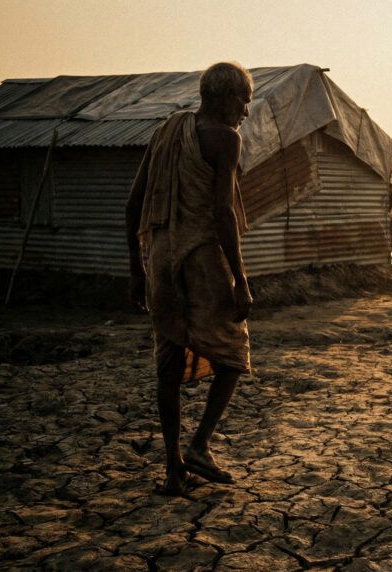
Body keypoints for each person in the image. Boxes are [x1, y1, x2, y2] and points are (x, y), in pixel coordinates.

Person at [125, 62, 254, 495]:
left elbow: (132, 203)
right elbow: (222, 214)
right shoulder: (225, 138)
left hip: (160, 263)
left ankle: (173, 469)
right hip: (200, 261)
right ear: (225, 97)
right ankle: (199, 446)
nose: (246, 113)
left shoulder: (166, 132)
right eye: (244, 102)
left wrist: (136, 268)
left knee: (168, 365)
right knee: (234, 353)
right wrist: (240, 278)